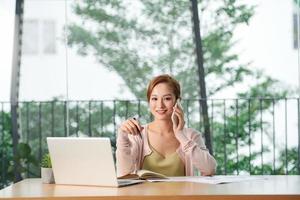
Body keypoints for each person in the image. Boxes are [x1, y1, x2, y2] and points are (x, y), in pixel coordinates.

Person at [116, 74, 217, 177]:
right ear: (149, 101)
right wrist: (123, 136)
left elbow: (210, 169)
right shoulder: (138, 135)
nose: (160, 105)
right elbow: (123, 175)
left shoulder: (191, 135)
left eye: (167, 98)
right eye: (154, 99)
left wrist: (180, 134)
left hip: (182, 193)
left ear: (177, 101)